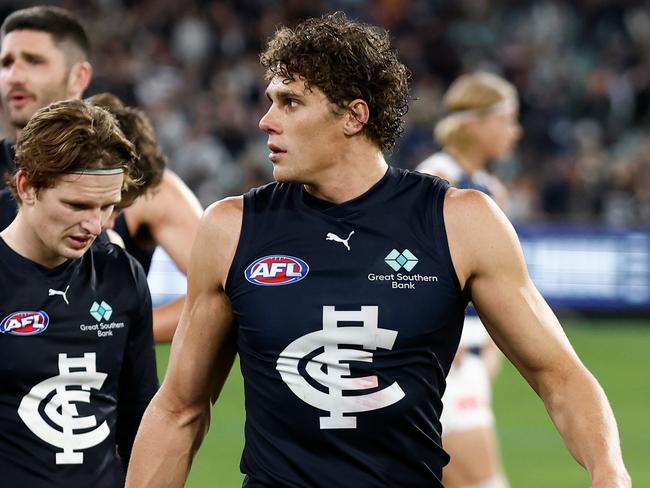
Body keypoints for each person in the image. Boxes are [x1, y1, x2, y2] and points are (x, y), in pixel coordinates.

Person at [126, 12, 630, 488]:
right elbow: (180, 408)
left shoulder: (459, 222)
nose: (265, 121)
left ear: (354, 117)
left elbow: (559, 376)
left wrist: (610, 473)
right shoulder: (231, 228)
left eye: (291, 102)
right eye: (270, 100)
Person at [0, 5, 202, 342]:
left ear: (78, 77)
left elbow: (224, 289)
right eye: (7, 62)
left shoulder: (144, 181)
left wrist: (117, 324)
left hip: (98, 388)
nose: (15, 76)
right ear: (25, 187)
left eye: (34, 62)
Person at [0, 99, 158, 487]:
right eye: (77, 204)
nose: (95, 224)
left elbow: (144, 425)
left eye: (108, 206)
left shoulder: (121, 275)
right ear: (27, 186)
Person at [415, 71, 522, 488]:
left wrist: (495, 344)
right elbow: (403, 264)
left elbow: (505, 281)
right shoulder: (436, 178)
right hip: (448, 355)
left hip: (473, 352)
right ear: (474, 124)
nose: (515, 131)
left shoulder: (492, 188)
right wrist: (434, 332)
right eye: (507, 119)